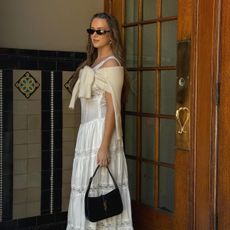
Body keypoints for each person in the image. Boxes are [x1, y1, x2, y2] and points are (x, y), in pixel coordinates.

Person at [66, 12, 133, 230]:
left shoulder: (112, 64)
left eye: (100, 31)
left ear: (111, 35)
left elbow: (113, 109)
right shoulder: (95, 61)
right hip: (87, 132)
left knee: (101, 189)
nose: (94, 35)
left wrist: (104, 146)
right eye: (91, 30)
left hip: (101, 133)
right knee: (87, 187)